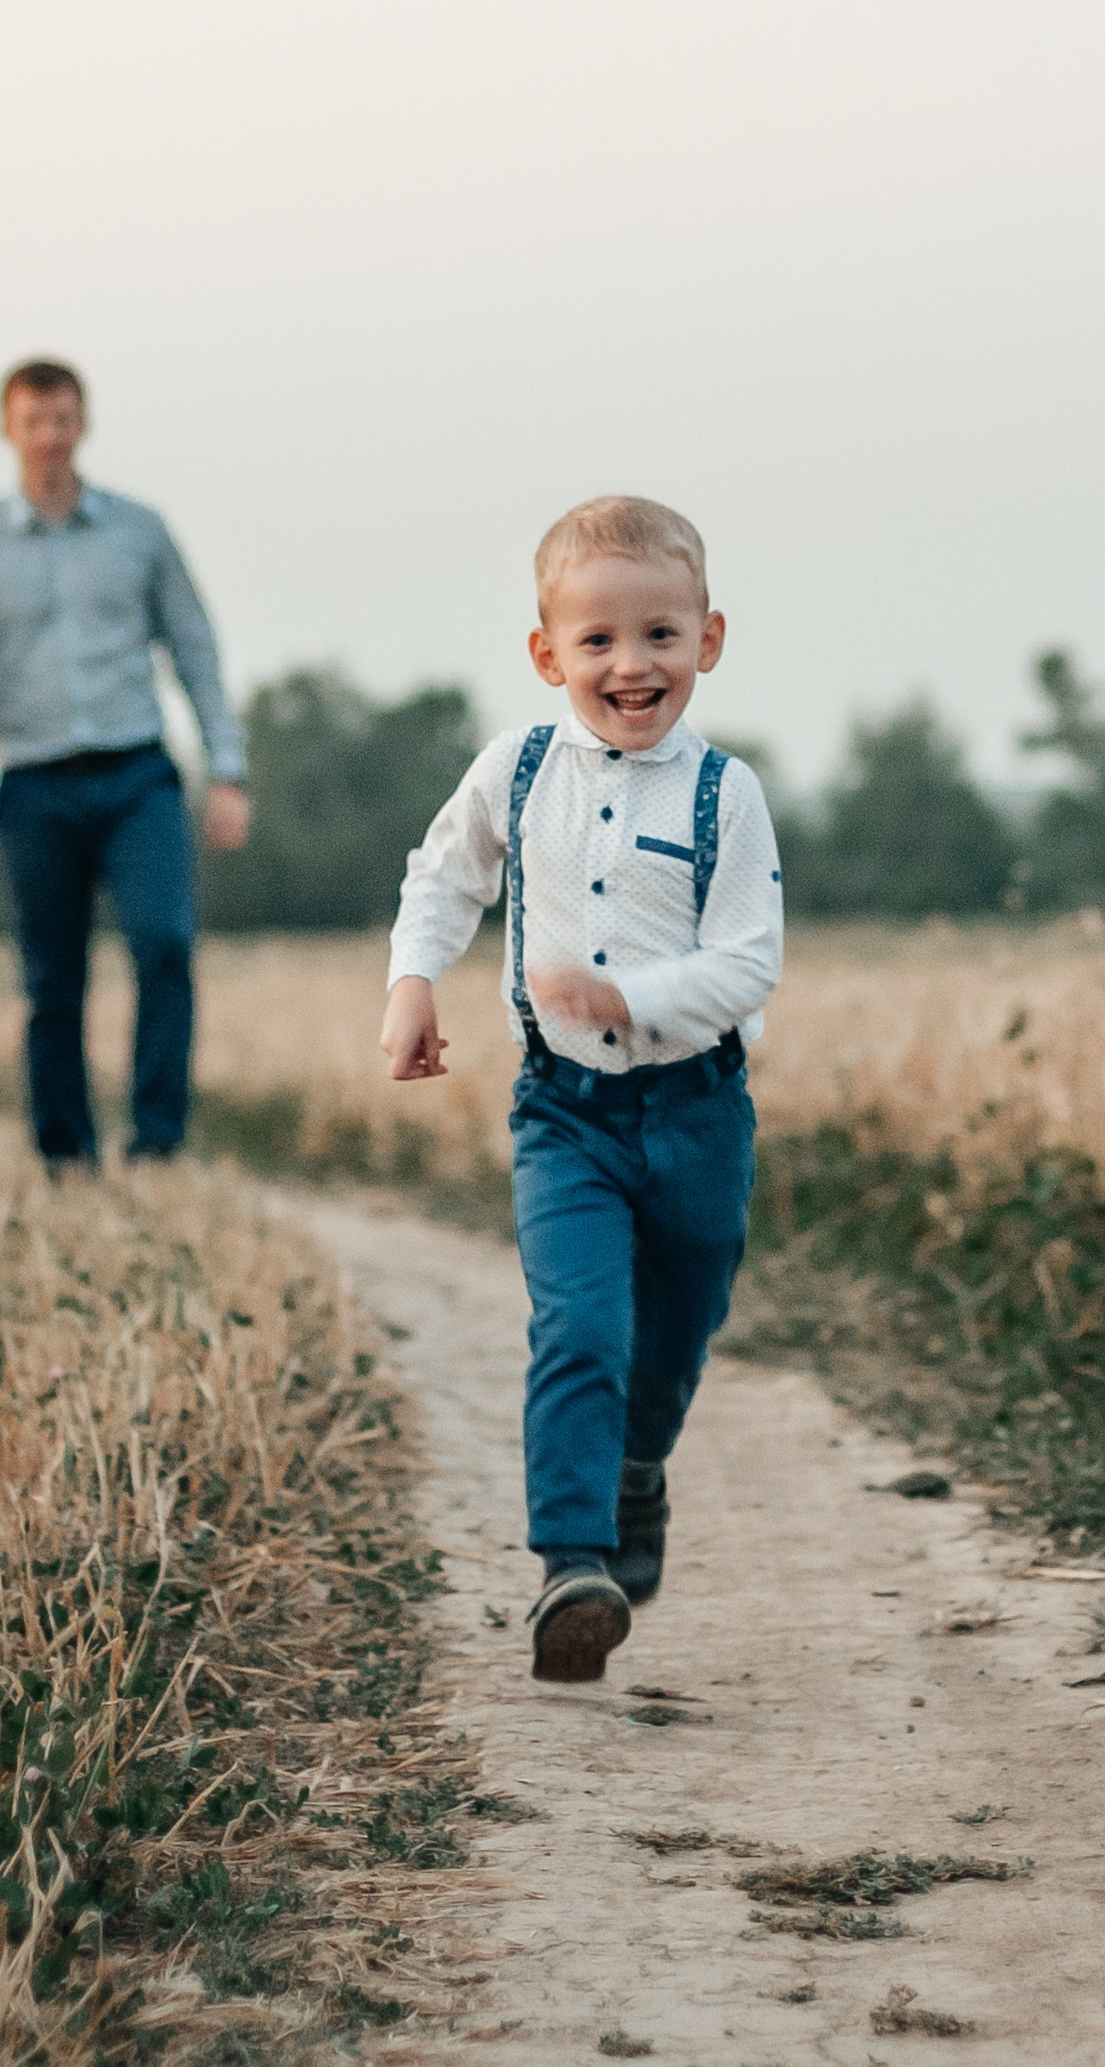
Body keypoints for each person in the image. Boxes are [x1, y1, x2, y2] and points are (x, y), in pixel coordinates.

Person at [380, 495, 783, 1683]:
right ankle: (570, 1565)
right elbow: (443, 877)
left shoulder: (726, 794)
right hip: (567, 1115)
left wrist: (637, 998)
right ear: (547, 653)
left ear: (707, 639)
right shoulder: (516, 770)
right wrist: (413, 984)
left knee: (673, 1335)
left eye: (658, 634)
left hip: (699, 1109)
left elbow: (751, 959)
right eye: (597, 640)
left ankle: (637, 1468)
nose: (630, 664)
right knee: (579, 1327)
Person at [0, 359, 249, 1171]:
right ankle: (66, 1155)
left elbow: (195, 647)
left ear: (83, 424)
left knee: (165, 947)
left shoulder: (141, 531)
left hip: (137, 775)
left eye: (62, 420)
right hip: (34, 784)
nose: (49, 437)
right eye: (33, 422)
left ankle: (157, 1143)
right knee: (52, 982)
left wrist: (227, 769)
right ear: (9, 429)